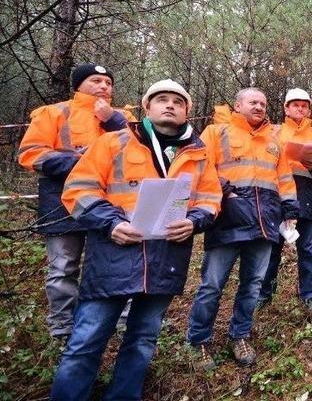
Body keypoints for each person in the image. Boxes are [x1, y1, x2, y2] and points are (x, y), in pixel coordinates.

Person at [50, 79, 221, 400]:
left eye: (178, 101)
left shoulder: (199, 153)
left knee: (142, 340)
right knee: (86, 340)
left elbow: (211, 199)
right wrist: (110, 223)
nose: (170, 105)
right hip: (113, 255)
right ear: (147, 107)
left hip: (166, 259)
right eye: (161, 100)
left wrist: (194, 222)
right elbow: (78, 190)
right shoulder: (114, 142)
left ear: (187, 111)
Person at [17, 63, 133, 341]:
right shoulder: (53, 112)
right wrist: (82, 161)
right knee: (63, 267)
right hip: (61, 204)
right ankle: (62, 327)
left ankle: (120, 322)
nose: (104, 86)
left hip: (109, 206)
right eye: (96, 81)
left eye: (108, 82)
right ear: (78, 85)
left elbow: (138, 150)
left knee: (115, 264)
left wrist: (113, 121)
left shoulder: (123, 117)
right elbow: (31, 154)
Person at [186, 88, 299, 371]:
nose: (259, 106)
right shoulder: (215, 133)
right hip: (227, 220)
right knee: (212, 285)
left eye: (263, 102)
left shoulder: (274, 139)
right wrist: (225, 191)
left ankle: (240, 335)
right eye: (253, 102)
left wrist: (290, 210)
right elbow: (199, 166)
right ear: (238, 105)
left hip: (264, 223)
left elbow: (284, 177)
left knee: (252, 286)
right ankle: (199, 340)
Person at [258, 88, 312, 310]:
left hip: (307, 198)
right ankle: (265, 294)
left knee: (307, 249)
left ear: (309, 109)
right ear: (286, 107)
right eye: (295, 105)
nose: (300, 109)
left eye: (304, 105)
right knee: (272, 248)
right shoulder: (273, 132)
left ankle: (309, 294)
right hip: (276, 198)